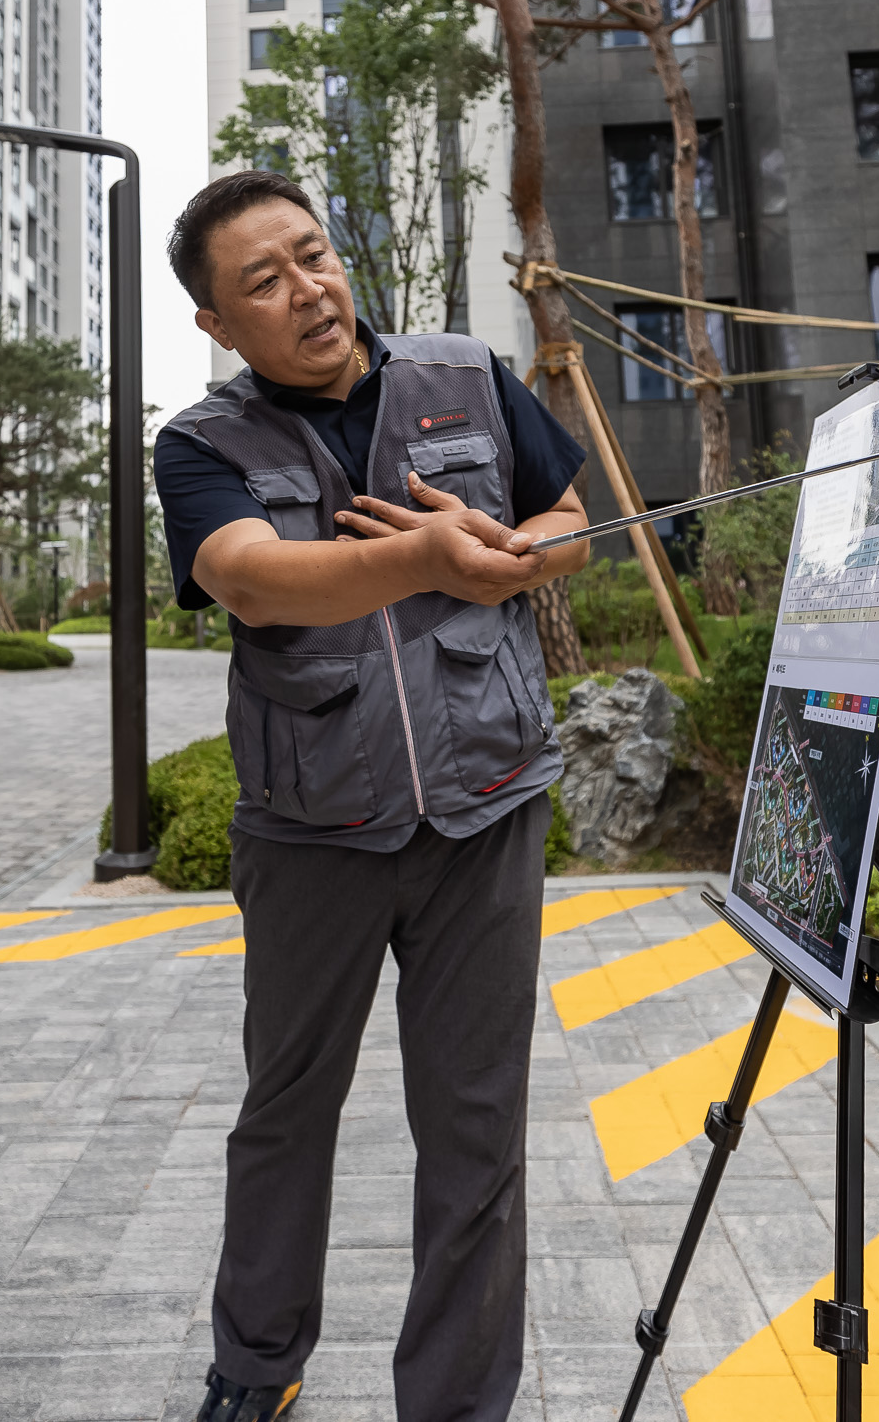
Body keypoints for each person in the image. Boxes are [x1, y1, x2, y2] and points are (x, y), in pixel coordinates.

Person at [154, 171, 593, 1422]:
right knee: (285, 1109)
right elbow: (250, 579)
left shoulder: (465, 374)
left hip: (487, 807)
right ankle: (256, 1362)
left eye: (314, 255)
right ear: (218, 324)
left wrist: (524, 557)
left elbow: (565, 514)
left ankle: (454, 1404)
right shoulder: (199, 443)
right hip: (310, 831)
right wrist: (422, 553)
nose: (308, 290)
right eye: (264, 280)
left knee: (474, 1131)